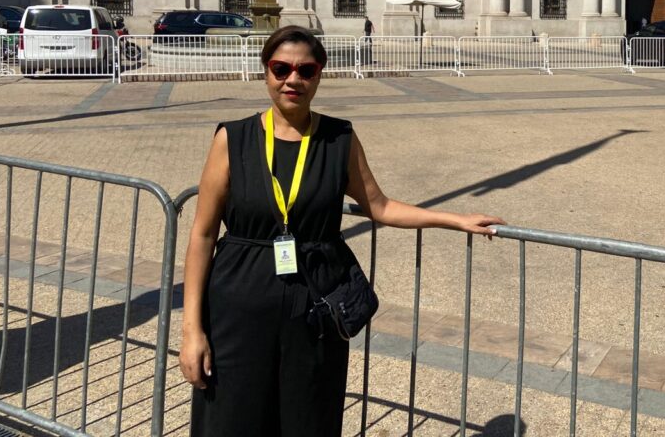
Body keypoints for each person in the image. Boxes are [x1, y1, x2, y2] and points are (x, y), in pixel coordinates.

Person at [180, 26, 503, 437]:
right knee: (232, 418)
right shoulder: (233, 138)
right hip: (238, 305)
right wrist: (192, 329)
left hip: (313, 305)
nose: (292, 80)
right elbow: (203, 234)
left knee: (308, 416)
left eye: (305, 70)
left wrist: (454, 219)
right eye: (281, 69)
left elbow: (380, 206)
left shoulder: (339, 139)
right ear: (265, 72)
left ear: (319, 75)